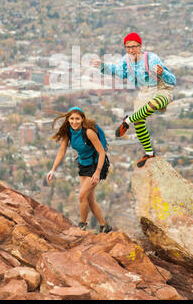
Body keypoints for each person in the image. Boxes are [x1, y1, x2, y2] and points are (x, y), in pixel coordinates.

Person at [92, 32, 176, 168]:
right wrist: (103, 65)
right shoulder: (126, 60)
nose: (131, 50)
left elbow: (172, 79)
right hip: (146, 90)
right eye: (127, 47)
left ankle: (127, 121)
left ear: (140, 46)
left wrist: (162, 73)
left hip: (162, 87)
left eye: (133, 47)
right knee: (139, 122)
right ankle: (149, 153)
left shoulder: (152, 59)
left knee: (153, 104)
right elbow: (117, 71)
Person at [46, 106, 112, 233]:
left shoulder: (89, 132)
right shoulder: (68, 132)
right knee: (89, 198)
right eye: (72, 119)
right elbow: (62, 150)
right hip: (83, 164)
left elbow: (102, 153)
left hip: (96, 164)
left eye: (77, 119)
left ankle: (82, 225)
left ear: (82, 119)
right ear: (68, 119)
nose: (74, 121)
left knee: (82, 196)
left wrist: (98, 172)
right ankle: (104, 226)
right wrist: (53, 169)